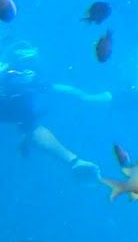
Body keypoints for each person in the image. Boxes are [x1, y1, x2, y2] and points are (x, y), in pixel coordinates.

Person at [0, 40, 110, 180]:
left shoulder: (21, 96)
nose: (20, 77)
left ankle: (108, 98)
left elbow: (34, 130)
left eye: (27, 73)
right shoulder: (14, 89)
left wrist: (74, 161)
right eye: (14, 72)